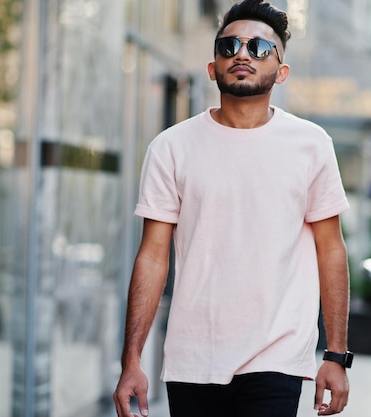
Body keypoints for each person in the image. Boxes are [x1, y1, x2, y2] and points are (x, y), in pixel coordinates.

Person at [113, 1, 352, 416]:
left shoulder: (311, 145)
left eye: (260, 47)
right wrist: (131, 360)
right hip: (193, 358)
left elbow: (330, 248)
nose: (242, 54)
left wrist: (336, 354)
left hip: (277, 356)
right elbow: (153, 256)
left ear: (281, 71)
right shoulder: (171, 147)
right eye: (229, 46)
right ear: (213, 67)